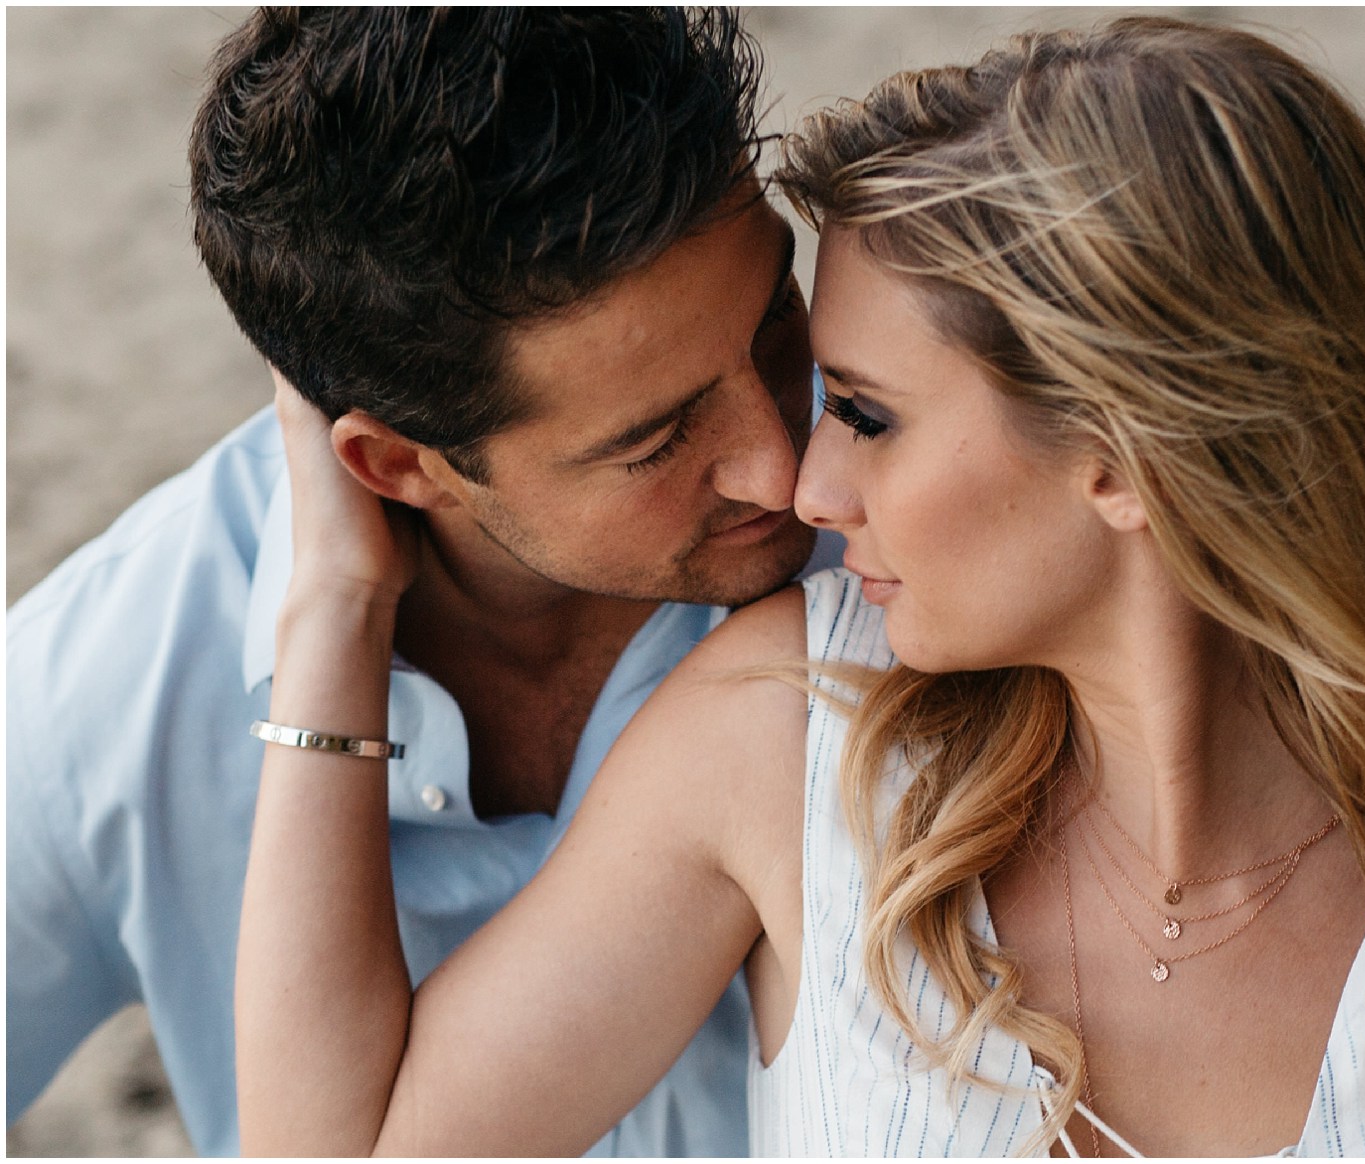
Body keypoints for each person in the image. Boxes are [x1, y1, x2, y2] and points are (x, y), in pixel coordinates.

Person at [235, 16, 1365, 1157]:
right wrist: (333, 611)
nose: (807, 490)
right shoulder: (787, 741)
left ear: (1130, 458)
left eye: (866, 415)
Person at [7, 7, 839, 1156]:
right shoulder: (99, 693)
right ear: (397, 466)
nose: (789, 463)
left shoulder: (921, 541)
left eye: (777, 321)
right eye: (655, 442)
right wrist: (334, 618)